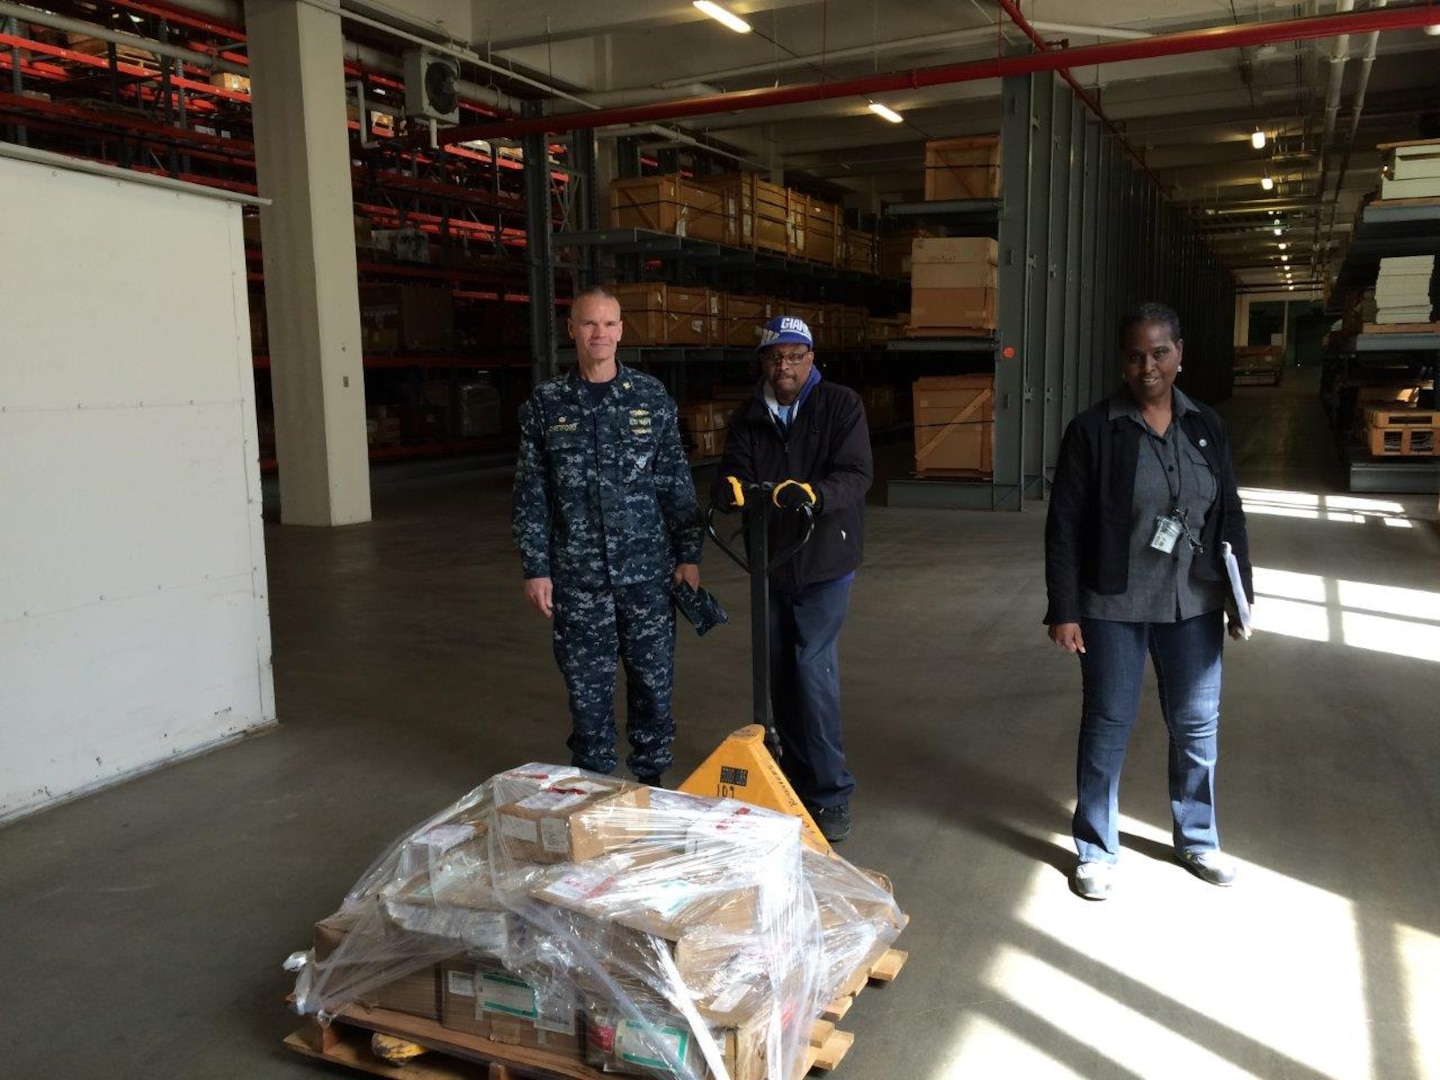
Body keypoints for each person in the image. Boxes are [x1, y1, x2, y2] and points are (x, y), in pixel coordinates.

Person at [1044, 302, 1253, 901]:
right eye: (1135, 354)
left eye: (1160, 352)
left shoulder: (1206, 425)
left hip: (1193, 602)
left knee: (1195, 725)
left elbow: (1229, 513)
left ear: (1179, 354)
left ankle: (1198, 838)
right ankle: (1095, 848)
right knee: (1109, 723)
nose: (1148, 366)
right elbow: (1065, 525)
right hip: (1112, 604)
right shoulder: (1093, 430)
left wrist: (1241, 598)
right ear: (1122, 360)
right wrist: (1064, 608)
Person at [512, 285, 703, 785]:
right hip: (578, 578)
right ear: (572, 329)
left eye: (610, 324)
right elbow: (532, 492)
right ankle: (594, 785)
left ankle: (651, 782)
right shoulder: (546, 404)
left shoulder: (649, 397)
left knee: (652, 683)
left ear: (622, 331)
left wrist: (688, 554)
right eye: (590, 324)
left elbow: (675, 480)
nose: (601, 333)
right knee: (587, 688)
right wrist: (536, 567)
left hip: (647, 574)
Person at [714, 315, 873, 842]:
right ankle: (791, 780)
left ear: (811, 359)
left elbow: (855, 474)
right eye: (775, 357)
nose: (785, 366)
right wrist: (730, 489)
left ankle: (831, 793)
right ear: (764, 362)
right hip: (770, 563)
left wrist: (815, 495)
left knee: (811, 670)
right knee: (778, 674)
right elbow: (733, 468)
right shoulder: (750, 414)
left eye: (795, 356)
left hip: (825, 561)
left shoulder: (840, 405)